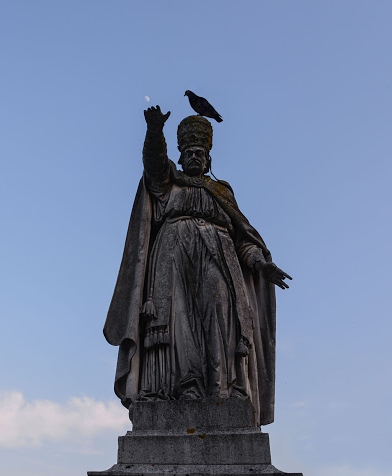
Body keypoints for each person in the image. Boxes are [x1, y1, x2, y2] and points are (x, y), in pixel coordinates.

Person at [103, 106, 291, 426]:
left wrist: (260, 264)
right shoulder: (168, 185)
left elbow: (243, 239)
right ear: (180, 157)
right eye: (188, 152)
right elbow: (154, 163)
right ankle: (184, 386)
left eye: (199, 153)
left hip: (219, 256)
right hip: (172, 256)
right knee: (179, 320)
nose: (193, 157)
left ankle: (222, 387)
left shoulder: (221, 192)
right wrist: (154, 132)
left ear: (208, 160)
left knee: (219, 313)